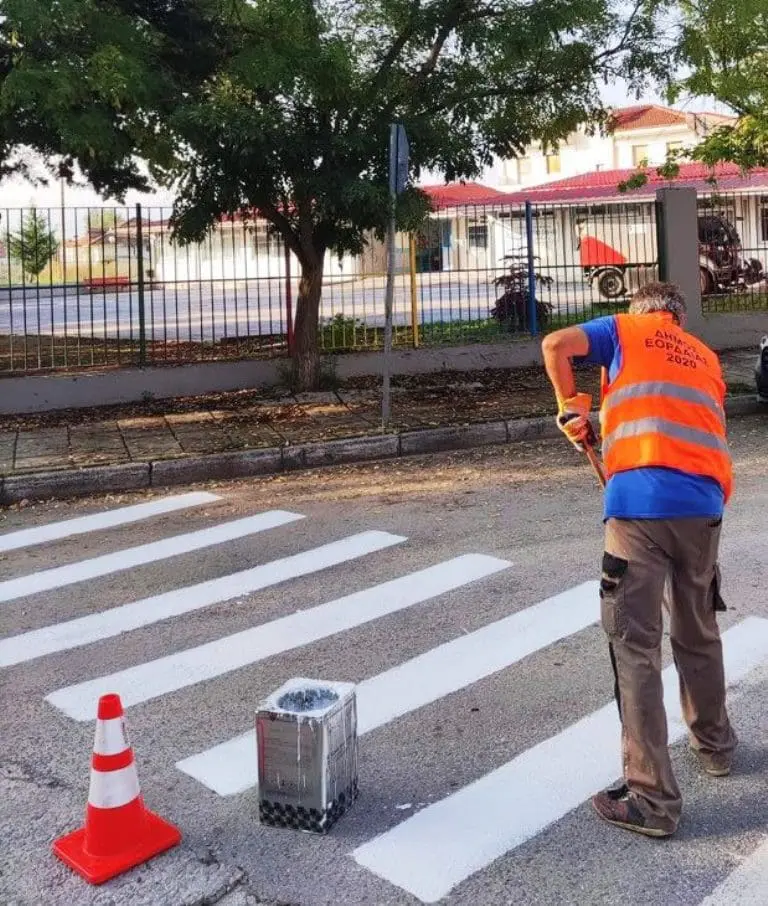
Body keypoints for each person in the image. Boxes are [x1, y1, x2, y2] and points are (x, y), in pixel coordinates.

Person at [541, 281, 737, 839]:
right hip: (704, 508)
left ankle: (652, 801)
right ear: (678, 317)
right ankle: (716, 745)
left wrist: (568, 406)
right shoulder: (703, 357)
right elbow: (674, 424)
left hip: (639, 511)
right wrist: (598, 426)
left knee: (635, 646)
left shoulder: (623, 331)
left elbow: (556, 345)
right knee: (698, 628)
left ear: (641, 312)